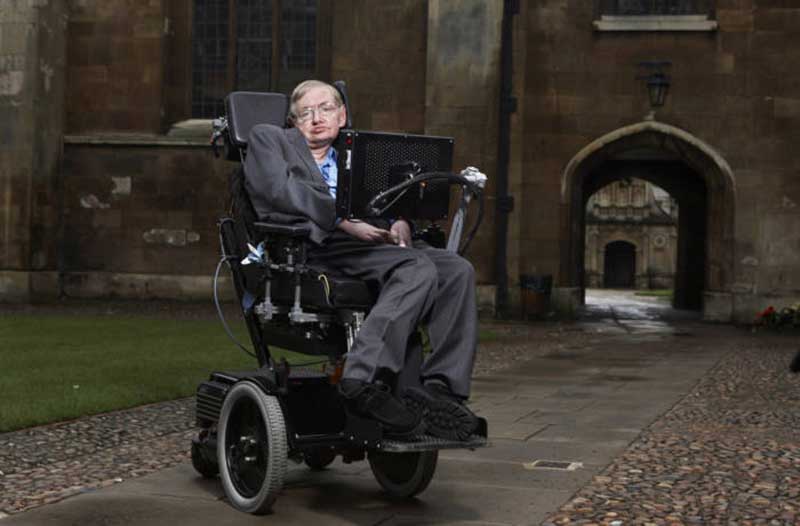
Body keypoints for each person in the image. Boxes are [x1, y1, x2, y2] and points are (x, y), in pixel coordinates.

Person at [244, 80, 478, 440]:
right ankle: (361, 377)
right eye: (305, 112)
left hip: (374, 242)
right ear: (292, 122)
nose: (316, 118)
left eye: (325, 109)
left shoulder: (359, 155)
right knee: (417, 269)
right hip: (318, 244)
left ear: (342, 115)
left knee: (457, 271)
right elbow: (281, 191)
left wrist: (399, 220)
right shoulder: (269, 139)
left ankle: (442, 390)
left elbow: (384, 202)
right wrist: (343, 220)